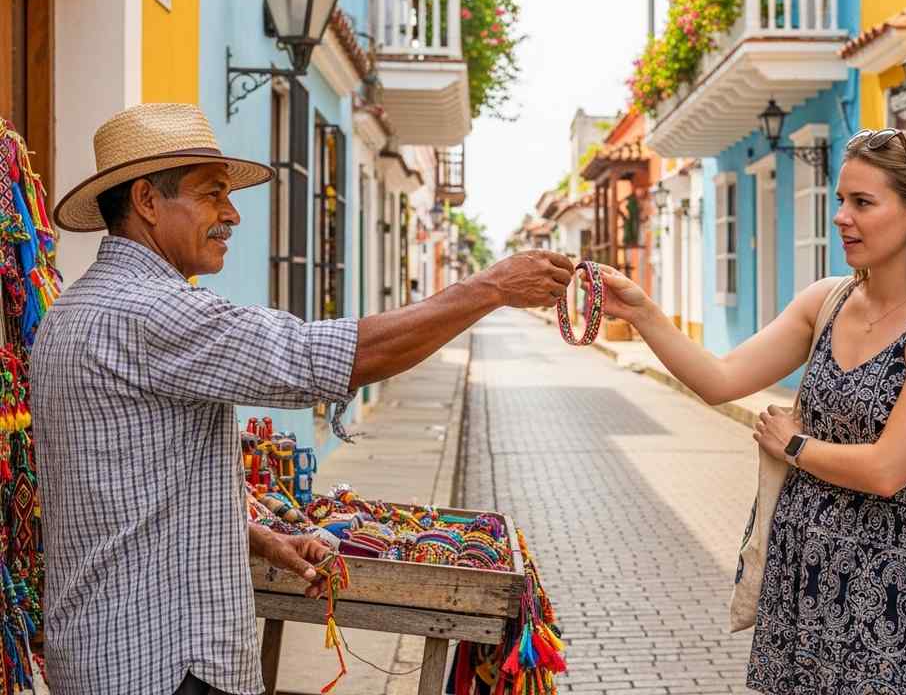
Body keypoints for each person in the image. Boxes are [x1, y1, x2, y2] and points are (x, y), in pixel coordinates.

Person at [31, 103, 574, 695]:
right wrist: (488, 288)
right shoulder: (150, 310)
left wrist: (258, 537)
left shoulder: (74, 310)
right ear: (147, 201)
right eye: (212, 195)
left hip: (105, 649)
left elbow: (127, 488)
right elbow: (326, 359)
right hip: (163, 662)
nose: (231, 214)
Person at [598, 130, 906, 693]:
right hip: (799, 563)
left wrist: (795, 446)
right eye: (841, 200)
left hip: (885, 577)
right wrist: (644, 314)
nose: (841, 217)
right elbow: (720, 380)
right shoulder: (827, 301)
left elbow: (888, 470)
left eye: (863, 203)